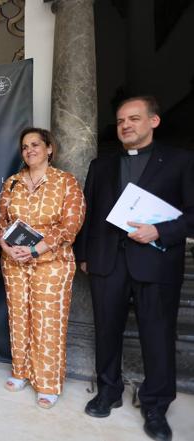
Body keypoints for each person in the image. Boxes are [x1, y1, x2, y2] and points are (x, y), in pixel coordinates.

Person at [76, 96, 194, 441]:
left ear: (153, 122)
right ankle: (108, 391)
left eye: (134, 118)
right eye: (121, 120)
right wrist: (85, 254)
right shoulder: (101, 165)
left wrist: (160, 230)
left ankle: (155, 404)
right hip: (107, 262)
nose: (125, 125)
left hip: (156, 262)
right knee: (106, 330)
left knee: (157, 336)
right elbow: (90, 214)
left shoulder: (181, 161)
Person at [0, 128, 85, 409]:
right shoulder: (12, 182)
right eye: (24, 146)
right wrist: (6, 247)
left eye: (35, 144)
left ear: (49, 149)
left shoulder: (65, 181)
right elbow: (0, 222)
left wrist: (36, 249)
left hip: (52, 263)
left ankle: (47, 382)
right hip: (15, 262)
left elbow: (71, 224)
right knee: (19, 319)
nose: (29, 150)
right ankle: (20, 371)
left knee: (48, 322)